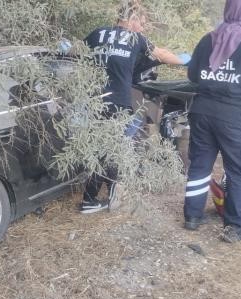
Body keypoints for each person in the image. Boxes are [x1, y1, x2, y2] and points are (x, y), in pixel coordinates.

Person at [80, 2, 187, 214]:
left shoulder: (97, 33)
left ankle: (103, 196)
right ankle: (92, 199)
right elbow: (162, 55)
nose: (142, 28)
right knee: (113, 151)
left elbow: (78, 53)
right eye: (142, 23)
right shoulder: (135, 38)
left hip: (93, 102)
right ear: (132, 20)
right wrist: (186, 62)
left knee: (104, 149)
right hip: (118, 103)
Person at [183, 0, 241, 243]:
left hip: (202, 112)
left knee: (200, 165)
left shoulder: (208, 39)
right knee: (240, 171)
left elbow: (193, 75)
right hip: (236, 118)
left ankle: (192, 216)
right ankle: (235, 227)